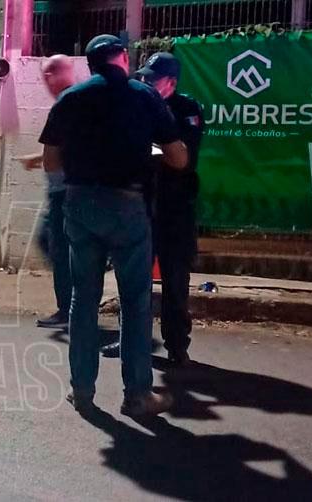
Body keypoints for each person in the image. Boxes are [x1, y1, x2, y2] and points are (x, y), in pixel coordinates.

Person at [39, 34, 188, 416]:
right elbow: (178, 158)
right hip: (127, 206)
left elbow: (51, 162)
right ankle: (137, 394)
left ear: (89, 64)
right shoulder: (144, 96)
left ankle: (82, 390)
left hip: (80, 205)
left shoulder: (70, 99)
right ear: (122, 58)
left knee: (82, 299)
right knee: (135, 301)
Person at [140, 52, 204, 366]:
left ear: (172, 82)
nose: (146, 82)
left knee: (176, 280)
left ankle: (177, 345)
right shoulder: (139, 106)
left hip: (175, 208)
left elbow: (183, 159)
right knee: (135, 278)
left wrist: (152, 150)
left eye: (153, 78)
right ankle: (132, 340)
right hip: (143, 204)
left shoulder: (187, 109)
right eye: (144, 77)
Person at [26, 55, 76, 328]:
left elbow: (56, 153)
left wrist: (43, 160)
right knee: (56, 244)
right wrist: (38, 159)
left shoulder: (66, 103)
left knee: (57, 247)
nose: (45, 81)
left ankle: (67, 309)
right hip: (68, 190)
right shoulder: (77, 100)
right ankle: (71, 305)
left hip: (63, 192)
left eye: (47, 75)